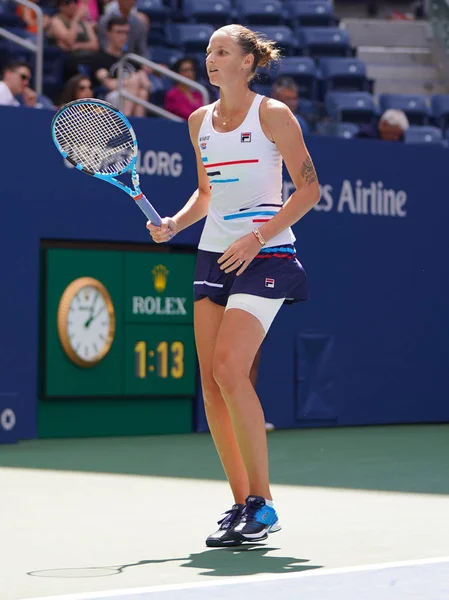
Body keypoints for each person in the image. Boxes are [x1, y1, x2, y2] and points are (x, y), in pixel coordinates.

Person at [147, 24, 320, 547]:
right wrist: (175, 224)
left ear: (248, 62)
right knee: (211, 385)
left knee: (230, 368)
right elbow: (205, 192)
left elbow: (309, 189)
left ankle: (264, 504)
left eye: (222, 51)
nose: (211, 59)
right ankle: (242, 502)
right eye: (207, 52)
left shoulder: (273, 115)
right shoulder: (199, 121)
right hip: (211, 253)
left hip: (266, 251)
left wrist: (257, 236)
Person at [90, 16, 151, 117]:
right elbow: (109, 84)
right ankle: (126, 120)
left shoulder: (130, 58)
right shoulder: (100, 58)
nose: (123, 37)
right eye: (119, 32)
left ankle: (137, 125)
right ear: (108, 33)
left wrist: (133, 83)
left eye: (126, 33)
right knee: (134, 82)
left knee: (143, 93)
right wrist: (133, 81)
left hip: (131, 95)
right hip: (108, 99)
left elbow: (147, 85)